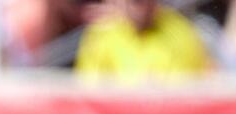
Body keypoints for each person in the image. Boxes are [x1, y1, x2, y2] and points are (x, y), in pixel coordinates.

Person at [75, 0, 212, 81]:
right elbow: (89, 94)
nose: (141, 8)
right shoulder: (101, 35)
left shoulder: (182, 32)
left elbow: (193, 91)